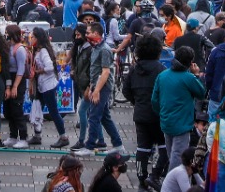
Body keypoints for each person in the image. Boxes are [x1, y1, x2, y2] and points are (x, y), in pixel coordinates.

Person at [125, 33, 168, 190]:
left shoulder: (134, 70)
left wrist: (136, 102)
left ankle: (141, 179)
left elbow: (125, 90)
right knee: (164, 146)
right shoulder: (161, 70)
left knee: (142, 147)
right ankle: (155, 175)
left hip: (140, 114)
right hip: (158, 115)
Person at [153, 45, 207, 170]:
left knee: (170, 153)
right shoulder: (189, 78)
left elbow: (154, 100)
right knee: (178, 157)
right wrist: (197, 75)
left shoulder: (162, 76)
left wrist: (161, 113)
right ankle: (172, 184)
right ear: (190, 62)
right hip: (183, 123)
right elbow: (201, 93)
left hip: (166, 121)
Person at [76, 20, 123, 156]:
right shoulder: (96, 48)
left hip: (103, 87)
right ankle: (118, 144)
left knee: (94, 116)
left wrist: (96, 90)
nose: (87, 35)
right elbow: (95, 71)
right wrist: (92, 87)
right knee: (104, 117)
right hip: (96, 86)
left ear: (96, 33)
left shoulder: (104, 49)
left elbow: (105, 72)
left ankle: (90, 146)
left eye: (89, 33)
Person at [31, 27, 69, 149]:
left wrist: (38, 71)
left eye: (32, 37)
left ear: (38, 38)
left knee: (53, 112)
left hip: (48, 85)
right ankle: (37, 135)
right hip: (42, 85)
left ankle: (63, 137)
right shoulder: (38, 50)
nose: (30, 39)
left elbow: (50, 67)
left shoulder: (43, 51)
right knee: (37, 108)